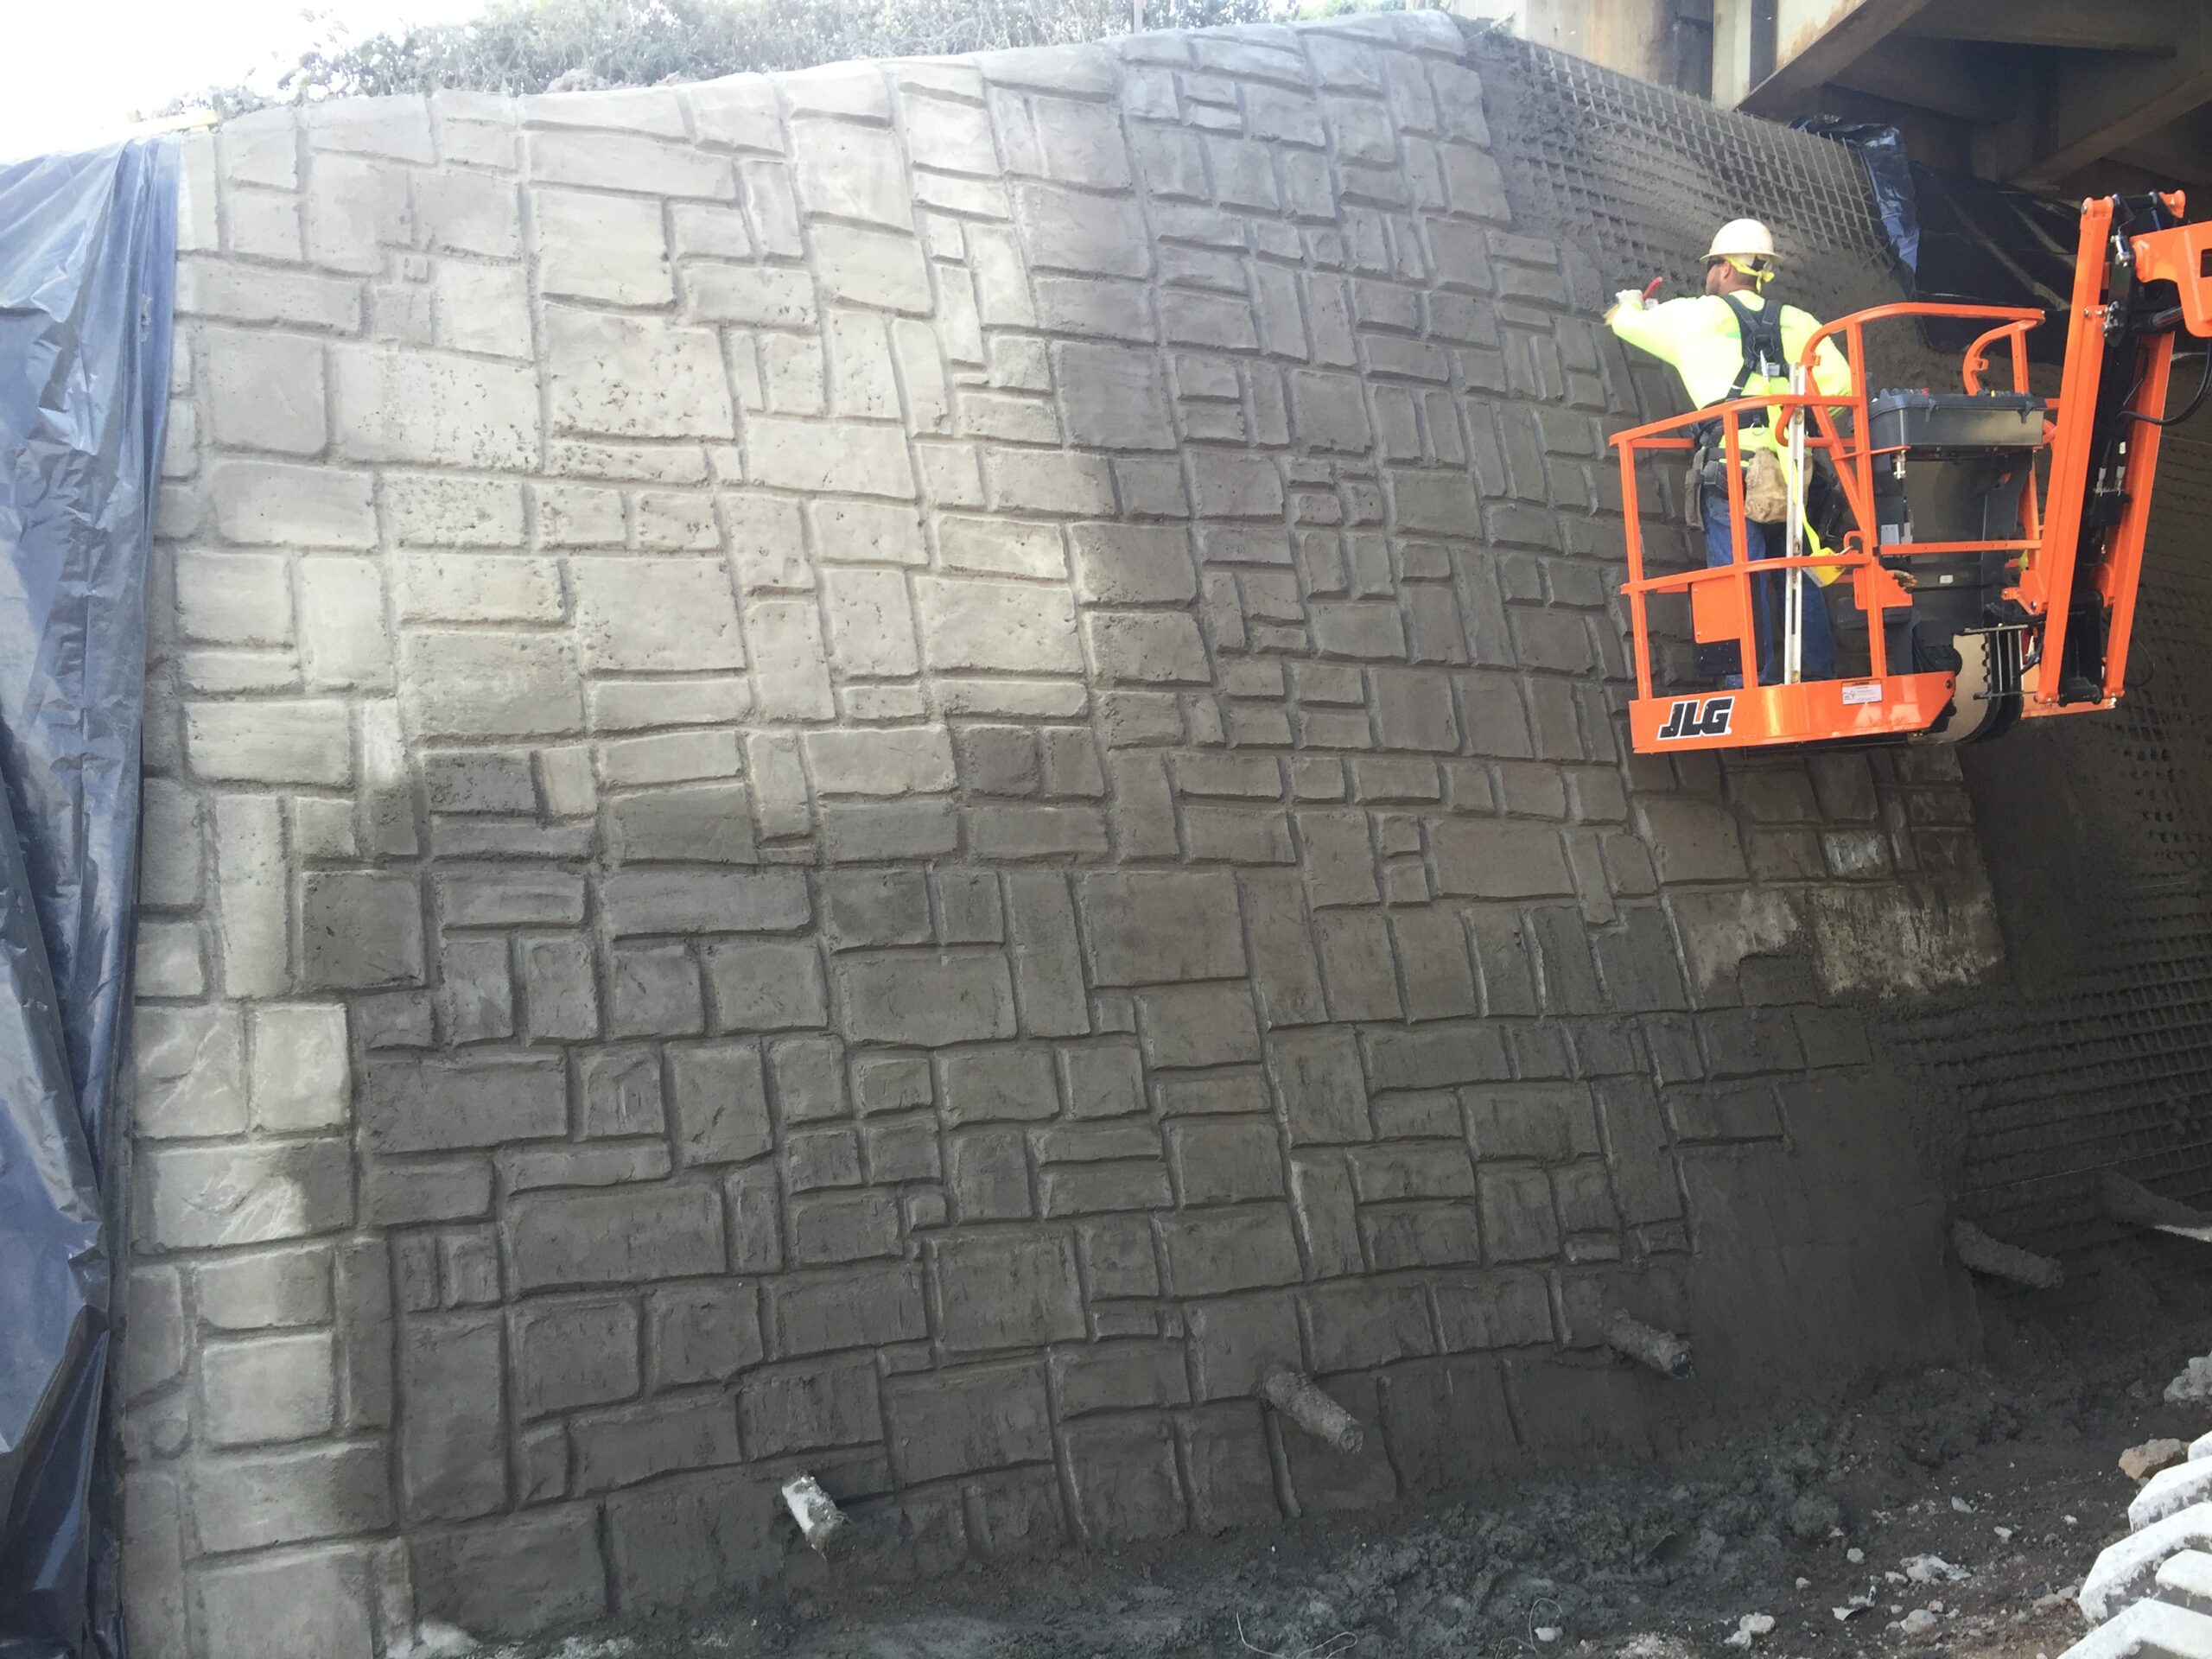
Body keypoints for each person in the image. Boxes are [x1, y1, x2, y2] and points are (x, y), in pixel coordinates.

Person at [1606, 219, 1853, 687]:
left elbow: (1627, 324)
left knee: (1738, 575)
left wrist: (1633, 301)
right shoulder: (1801, 322)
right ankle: (1820, 675)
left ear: (1722, 269)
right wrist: (1793, 423)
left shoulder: (1693, 316)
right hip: (1791, 469)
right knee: (1797, 568)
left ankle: (1742, 682)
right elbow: (1841, 387)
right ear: (1762, 273)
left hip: (1732, 467)